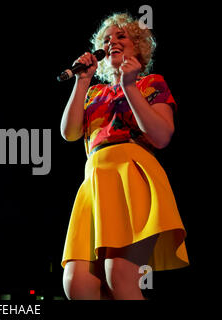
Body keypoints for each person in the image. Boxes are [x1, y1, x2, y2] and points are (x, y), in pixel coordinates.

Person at [60, 12, 189, 300]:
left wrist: (128, 85)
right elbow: (68, 132)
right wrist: (82, 81)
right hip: (95, 182)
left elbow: (161, 135)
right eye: (106, 39)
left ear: (139, 46)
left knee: (120, 276)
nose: (112, 41)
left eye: (121, 36)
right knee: (78, 285)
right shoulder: (94, 93)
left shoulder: (150, 83)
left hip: (131, 176)